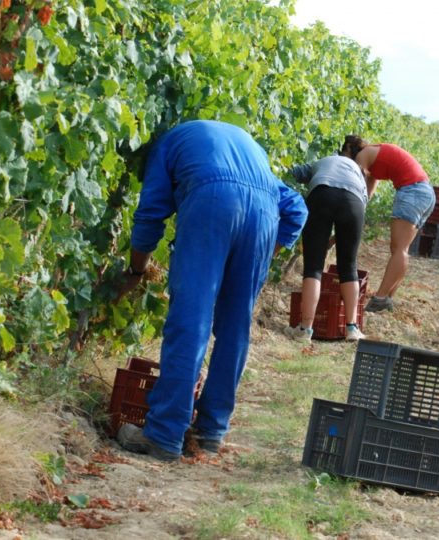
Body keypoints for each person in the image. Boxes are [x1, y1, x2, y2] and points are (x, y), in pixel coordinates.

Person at [115, 120, 307, 462]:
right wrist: (262, 252)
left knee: (192, 319)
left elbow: (150, 215)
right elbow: (296, 210)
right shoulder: (239, 145)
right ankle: (210, 432)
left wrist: (137, 269)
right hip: (264, 213)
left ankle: (163, 434)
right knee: (235, 328)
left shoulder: (165, 145)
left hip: (213, 202)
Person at [339, 135, 435, 312]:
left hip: (412, 191)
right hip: (424, 192)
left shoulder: (361, 157)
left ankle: (380, 299)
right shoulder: (372, 159)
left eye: (343, 155)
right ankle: (387, 297)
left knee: (399, 249)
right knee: (399, 249)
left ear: (349, 150)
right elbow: (365, 195)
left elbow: (355, 184)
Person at [283, 153, 369, 342]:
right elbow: (363, 202)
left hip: (322, 195)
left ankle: (305, 329)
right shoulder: (358, 175)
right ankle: (352, 328)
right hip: (354, 203)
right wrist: (338, 238)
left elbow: (293, 173)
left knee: (313, 267)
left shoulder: (323, 161)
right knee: (348, 265)